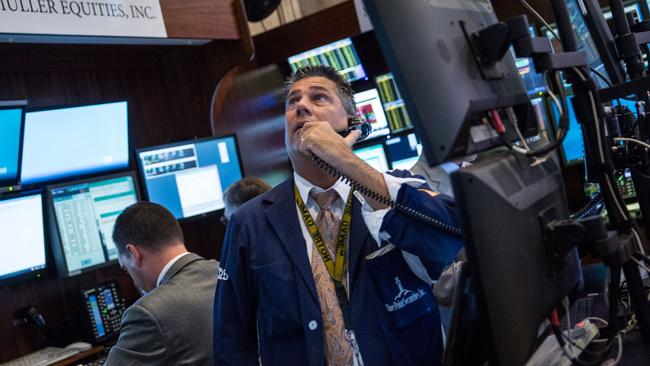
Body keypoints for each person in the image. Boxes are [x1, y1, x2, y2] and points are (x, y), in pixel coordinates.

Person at [213, 65, 463, 366]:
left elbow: (449, 239)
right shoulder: (250, 221)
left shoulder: (393, 188)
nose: (301, 106)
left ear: (352, 124)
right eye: (292, 102)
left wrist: (344, 160)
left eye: (318, 98)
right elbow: (231, 340)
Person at [105, 202, 218, 366]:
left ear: (134, 254)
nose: (132, 277)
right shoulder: (222, 271)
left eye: (125, 268)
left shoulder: (148, 313)